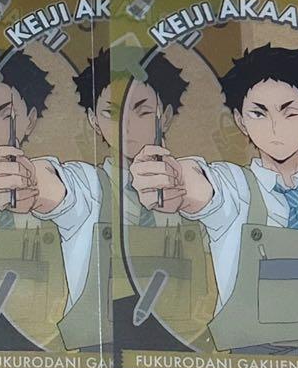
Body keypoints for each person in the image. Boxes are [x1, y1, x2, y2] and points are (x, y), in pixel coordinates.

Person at [132, 44, 298, 355]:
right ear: (241, 121)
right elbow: (200, 185)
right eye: (259, 113)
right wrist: (172, 180)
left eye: (289, 112)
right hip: (250, 362)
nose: (275, 127)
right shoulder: (233, 189)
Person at [76, 48, 215, 346]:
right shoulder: (86, 189)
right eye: (111, 113)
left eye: (142, 111)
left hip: (185, 348)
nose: (126, 126)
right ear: (92, 119)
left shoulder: (200, 190)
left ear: (166, 116)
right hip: (102, 348)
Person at [0, 52, 106, 349]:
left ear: (30, 120)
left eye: (5, 114)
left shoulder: (75, 184)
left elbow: (69, 194)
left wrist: (34, 185)